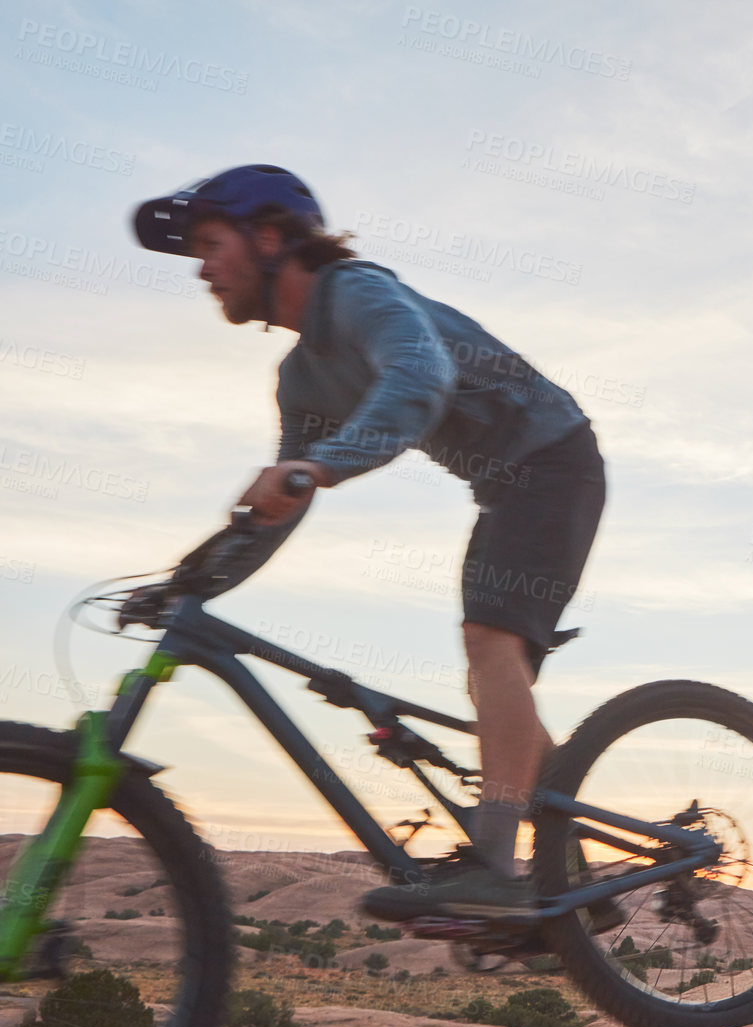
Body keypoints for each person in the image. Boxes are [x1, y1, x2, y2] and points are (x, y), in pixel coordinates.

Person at [133, 164, 607, 920]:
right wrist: (192, 582)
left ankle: (494, 865)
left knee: (489, 642)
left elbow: (421, 375)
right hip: (507, 484)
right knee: (492, 671)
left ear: (268, 237)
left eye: (211, 243)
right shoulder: (301, 378)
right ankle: (570, 880)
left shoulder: (356, 292)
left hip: (553, 461)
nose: (201, 269)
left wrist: (315, 465)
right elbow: (282, 504)